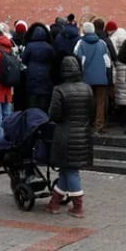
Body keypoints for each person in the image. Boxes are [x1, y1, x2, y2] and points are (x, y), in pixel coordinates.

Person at [46, 57, 94, 217]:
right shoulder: (87, 88)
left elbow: (54, 114)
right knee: (66, 171)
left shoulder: (59, 89)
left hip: (64, 136)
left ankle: (78, 207)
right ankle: (54, 203)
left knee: (71, 171)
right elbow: (91, 112)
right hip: (83, 134)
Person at [73, 21, 111, 133]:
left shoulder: (80, 43)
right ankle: (99, 124)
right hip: (101, 78)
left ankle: (86, 123)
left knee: (85, 101)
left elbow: (77, 61)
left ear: (84, 31)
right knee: (100, 102)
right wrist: (107, 77)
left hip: (86, 78)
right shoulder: (102, 43)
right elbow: (108, 62)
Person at [20, 24, 55, 113]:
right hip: (46, 73)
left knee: (32, 98)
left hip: (32, 72)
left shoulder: (30, 46)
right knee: (44, 99)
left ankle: (32, 118)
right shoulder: (49, 47)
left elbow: (23, 59)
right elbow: (53, 59)